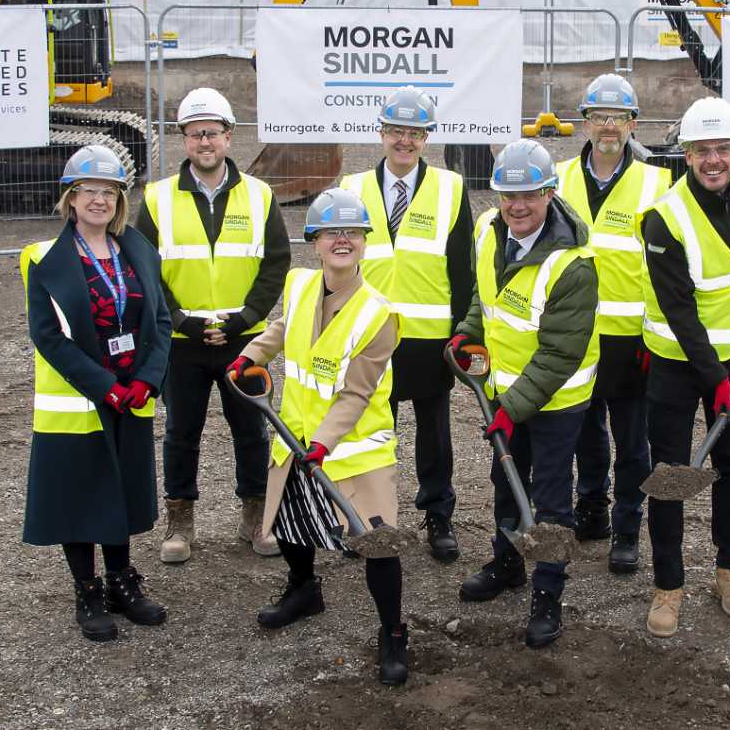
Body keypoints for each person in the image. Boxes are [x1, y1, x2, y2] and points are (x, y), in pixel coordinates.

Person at [227, 187, 409, 686]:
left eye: (352, 232)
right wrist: (252, 356)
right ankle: (304, 588)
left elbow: (356, 392)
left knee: (378, 541)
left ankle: (393, 631)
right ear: (315, 239)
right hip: (297, 437)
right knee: (288, 522)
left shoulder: (379, 314)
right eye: (332, 232)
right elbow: (283, 328)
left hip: (354, 448)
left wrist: (325, 444)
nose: (343, 240)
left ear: (366, 241)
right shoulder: (302, 284)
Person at [641, 97, 730, 639]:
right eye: (702, 150)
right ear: (686, 155)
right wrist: (716, 379)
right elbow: (678, 310)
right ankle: (669, 585)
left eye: (723, 148)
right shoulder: (665, 218)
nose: (714, 159)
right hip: (678, 364)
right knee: (672, 475)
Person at [448, 139, 599, 649]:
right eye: (507, 194)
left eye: (529, 194)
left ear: (550, 193)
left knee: (551, 498)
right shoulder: (491, 233)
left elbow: (560, 354)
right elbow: (482, 299)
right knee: (506, 483)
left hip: (555, 402)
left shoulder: (572, 264)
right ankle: (508, 562)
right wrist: (466, 333)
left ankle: (548, 593)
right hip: (504, 393)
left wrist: (510, 409)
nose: (517, 205)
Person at [131, 86, 290, 563]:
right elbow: (145, 271)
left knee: (252, 430)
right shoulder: (157, 198)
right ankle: (180, 523)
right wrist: (180, 319)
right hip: (183, 341)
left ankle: (256, 517)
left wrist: (245, 318)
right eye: (196, 134)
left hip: (244, 339)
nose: (206, 142)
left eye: (214, 133)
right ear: (184, 139)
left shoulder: (260, 196)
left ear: (228, 137)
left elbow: (275, 264)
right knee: (182, 431)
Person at [20, 145, 172, 642]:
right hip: (83, 399)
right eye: (88, 191)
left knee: (121, 492)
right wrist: (105, 387)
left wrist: (146, 380)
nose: (99, 201)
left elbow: (161, 323)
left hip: (131, 395)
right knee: (81, 494)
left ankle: (122, 582)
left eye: (108, 192)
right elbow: (47, 337)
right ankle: (88, 590)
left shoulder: (138, 250)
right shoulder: (44, 259)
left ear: (120, 200)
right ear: (71, 197)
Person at [339, 87, 473, 563]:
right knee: (372, 433)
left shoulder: (451, 188)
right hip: (372, 337)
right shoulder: (352, 189)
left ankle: (438, 516)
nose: (404, 141)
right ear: (381, 132)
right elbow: (338, 264)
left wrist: (463, 333)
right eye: (396, 131)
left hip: (430, 338)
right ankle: (369, 520)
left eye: (414, 133)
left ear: (426, 138)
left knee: (434, 435)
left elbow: (462, 269)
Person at [555, 73, 670, 574]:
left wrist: (654, 332)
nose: (608, 127)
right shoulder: (557, 179)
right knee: (583, 429)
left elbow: (665, 267)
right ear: (584, 122)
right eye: (599, 117)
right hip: (576, 335)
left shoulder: (657, 182)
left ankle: (627, 526)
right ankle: (592, 508)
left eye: (618, 118)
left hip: (630, 339)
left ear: (633, 124)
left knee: (631, 437)